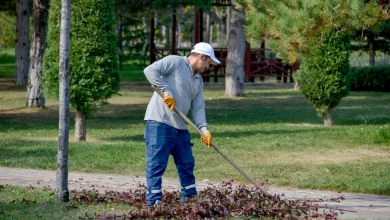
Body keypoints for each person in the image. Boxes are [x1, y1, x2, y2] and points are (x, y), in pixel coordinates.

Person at [143, 42, 221, 206]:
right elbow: (150, 70)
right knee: (157, 163)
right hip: (160, 122)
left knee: (186, 162)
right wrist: (166, 91)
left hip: (180, 127)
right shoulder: (176, 62)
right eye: (209, 62)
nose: (209, 66)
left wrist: (204, 130)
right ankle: (154, 202)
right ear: (201, 57)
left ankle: (190, 199)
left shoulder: (198, 80)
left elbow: (198, 107)